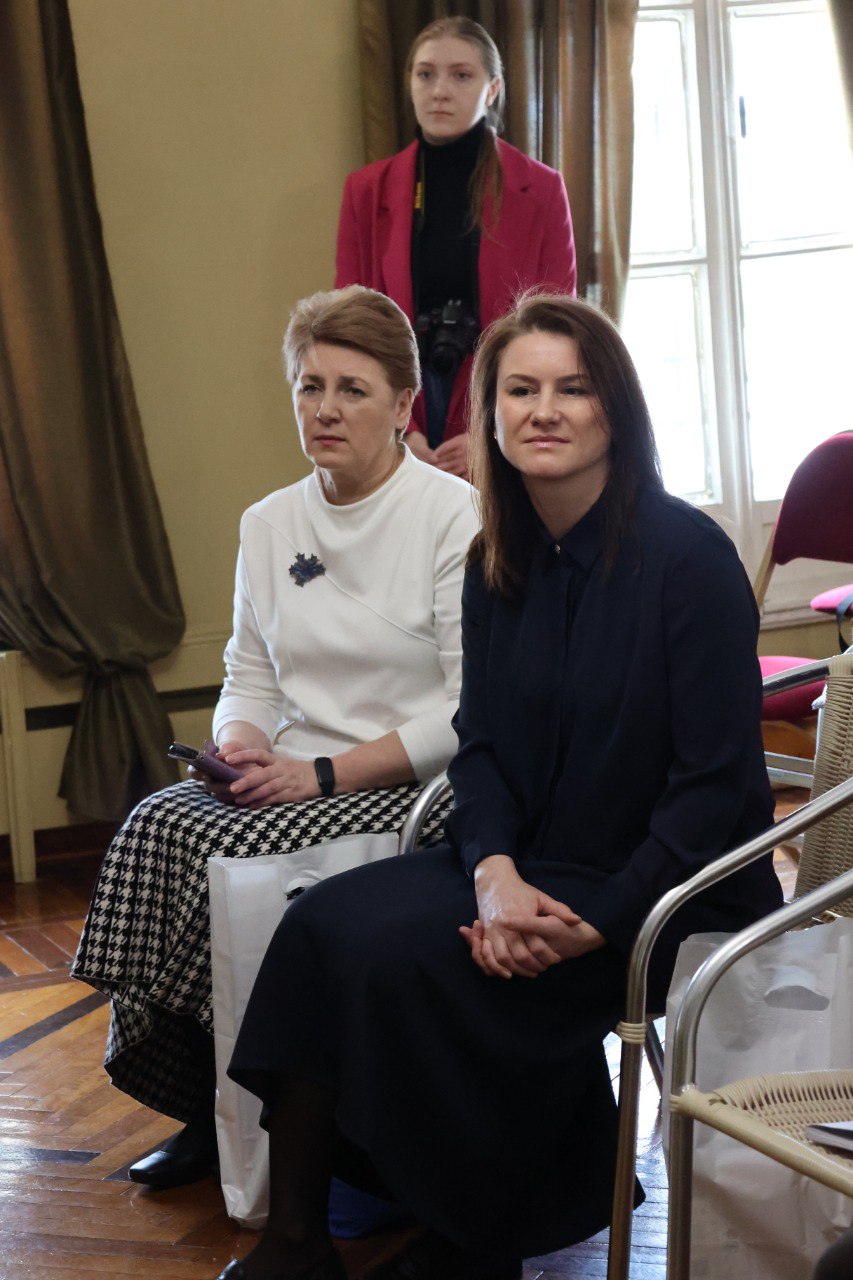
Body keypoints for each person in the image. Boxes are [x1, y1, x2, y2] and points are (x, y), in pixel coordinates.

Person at [213, 293, 783, 1280]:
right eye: (520, 390)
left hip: (669, 887)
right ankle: (296, 1241)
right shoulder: (495, 560)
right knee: (323, 929)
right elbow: (479, 751)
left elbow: (711, 789)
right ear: (490, 414)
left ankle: (478, 1239)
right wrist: (493, 877)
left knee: (430, 970)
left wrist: (598, 920)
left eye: (573, 388)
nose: (543, 410)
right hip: (526, 865)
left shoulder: (688, 561)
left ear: (615, 410)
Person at [71, 285, 478, 1191]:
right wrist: (241, 745)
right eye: (308, 386)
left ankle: (255, 1110)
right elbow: (247, 672)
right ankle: (201, 1100)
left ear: (403, 404)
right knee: (157, 825)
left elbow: (466, 711)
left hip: (410, 782)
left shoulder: (453, 514)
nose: (324, 408)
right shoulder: (267, 522)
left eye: (351, 389)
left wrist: (321, 773)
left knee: (228, 852)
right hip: (293, 768)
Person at [335, 17, 576, 477]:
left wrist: (492, 426)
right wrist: (397, 426)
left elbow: (555, 326)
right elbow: (353, 325)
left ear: (493, 89)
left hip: (505, 404)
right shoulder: (365, 191)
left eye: (461, 75)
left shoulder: (541, 189)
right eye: (425, 74)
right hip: (401, 405)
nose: (439, 91)